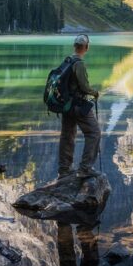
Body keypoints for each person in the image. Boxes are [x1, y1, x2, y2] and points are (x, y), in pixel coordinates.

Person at [58, 34, 101, 177]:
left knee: (67, 135)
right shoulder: (79, 64)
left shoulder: (68, 60)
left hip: (66, 105)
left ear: (74, 46)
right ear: (86, 47)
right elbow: (84, 87)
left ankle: (64, 170)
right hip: (77, 105)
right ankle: (85, 169)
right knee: (94, 133)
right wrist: (94, 93)